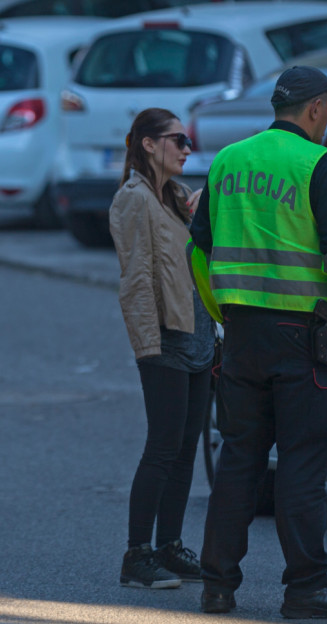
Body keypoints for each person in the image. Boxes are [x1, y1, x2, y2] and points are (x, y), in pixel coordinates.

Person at [189, 65, 327, 618]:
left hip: (244, 335)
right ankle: (307, 588)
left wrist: (221, 309)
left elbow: (197, 253)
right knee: (301, 463)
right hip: (305, 338)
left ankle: (217, 585)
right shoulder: (319, 165)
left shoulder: (227, 161)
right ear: (316, 108)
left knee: (240, 460)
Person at [109, 108, 213, 589]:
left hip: (198, 336)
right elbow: (136, 279)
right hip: (166, 339)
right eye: (179, 140)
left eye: (188, 140)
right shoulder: (134, 199)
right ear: (149, 144)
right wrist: (148, 346)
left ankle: (170, 546)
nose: (187, 148)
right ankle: (137, 554)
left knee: (186, 448)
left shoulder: (173, 198)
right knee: (162, 447)